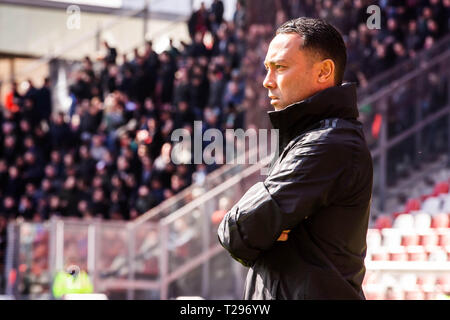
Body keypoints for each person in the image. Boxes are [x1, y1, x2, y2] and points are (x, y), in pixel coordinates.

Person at [218, 17, 373, 300]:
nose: (267, 81)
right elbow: (254, 229)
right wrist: (269, 228)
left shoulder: (330, 142)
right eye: (267, 68)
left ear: (324, 72)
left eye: (280, 67)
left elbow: (239, 231)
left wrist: (263, 227)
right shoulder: (306, 137)